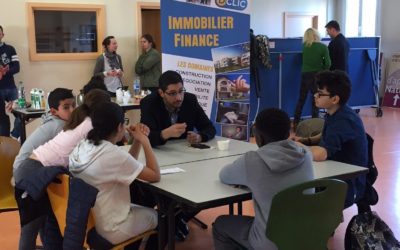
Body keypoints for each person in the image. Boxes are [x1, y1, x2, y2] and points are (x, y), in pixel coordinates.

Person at [213, 108, 314, 250]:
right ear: (288, 133)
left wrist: (247, 181)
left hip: (270, 242)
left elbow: (224, 176)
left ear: (257, 136)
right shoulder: (306, 155)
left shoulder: (252, 161)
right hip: (308, 237)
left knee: (221, 224)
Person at [69, 102, 160, 249]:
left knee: (140, 202)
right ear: (119, 127)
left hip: (90, 220)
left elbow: (126, 165)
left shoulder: (84, 145)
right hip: (112, 227)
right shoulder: (112, 153)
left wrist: (136, 140)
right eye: (124, 122)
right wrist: (145, 140)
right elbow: (155, 175)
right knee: (161, 217)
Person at [12, 88, 75, 250]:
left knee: (45, 217)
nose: (73, 110)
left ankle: (49, 245)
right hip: (28, 174)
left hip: (29, 170)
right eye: (66, 107)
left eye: (74, 105)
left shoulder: (53, 121)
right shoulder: (60, 126)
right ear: (54, 111)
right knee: (31, 225)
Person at [295, 70, 368, 208]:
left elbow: (320, 154)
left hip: (347, 183)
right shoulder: (336, 112)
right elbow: (326, 135)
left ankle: (323, 221)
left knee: (298, 190)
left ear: (335, 99)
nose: (315, 96)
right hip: (335, 172)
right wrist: (307, 141)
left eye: (320, 94)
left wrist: (295, 147)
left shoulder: (344, 120)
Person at [140, 70, 216, 147]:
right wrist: (165, 134)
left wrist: (200, 137)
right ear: (161, 93)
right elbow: (145, 137)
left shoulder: (190, 100)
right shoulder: (149, 103)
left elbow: (209, 128)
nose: (179, 98)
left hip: (185, 152)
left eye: (181, 91)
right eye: (172, 93)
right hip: (158, 152)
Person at [293, 28, 331, 130]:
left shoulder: (305, 47)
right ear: (316, 35)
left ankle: (295, 123)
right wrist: (322, 69)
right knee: (316, 100)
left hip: (305, 75)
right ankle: (315, 125)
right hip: (316, 76)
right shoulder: (323, 47)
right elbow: (328, 63)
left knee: (301, 99)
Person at [0, 25, 21, 138]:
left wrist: (4, 72)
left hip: (10, 88)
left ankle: (14, 135)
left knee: (21, 114)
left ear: (2, 35)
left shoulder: (10, 49)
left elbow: (17, 68)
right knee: (2, 117)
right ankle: (6, 142)